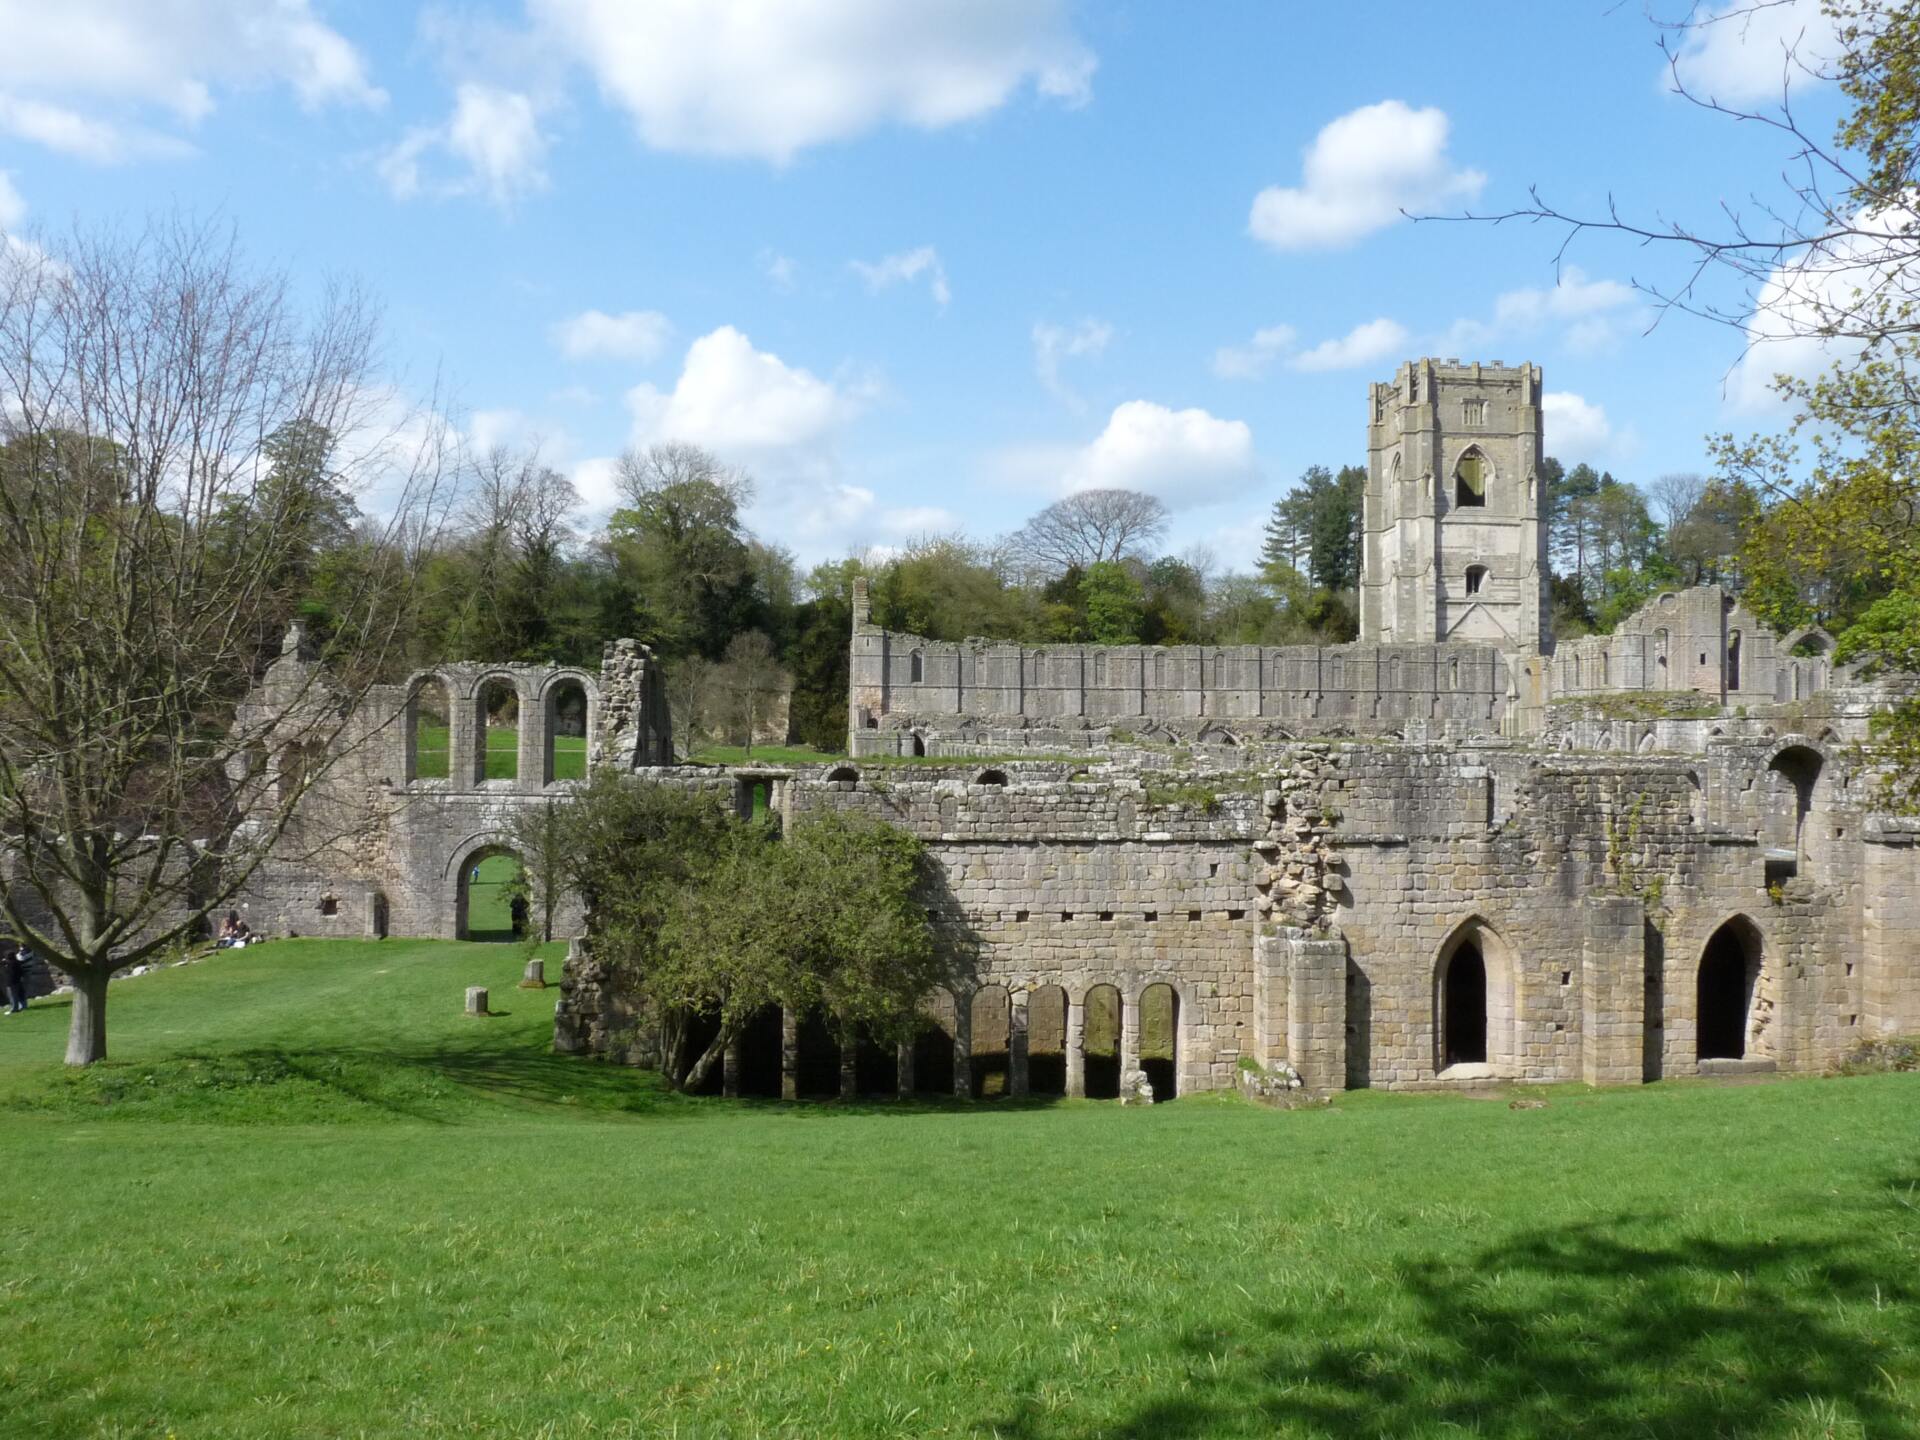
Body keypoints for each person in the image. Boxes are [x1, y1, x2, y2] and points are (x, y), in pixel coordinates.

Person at [2, 942, 26, 1013]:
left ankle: (14, 1009)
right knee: (21, 994)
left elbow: (9, 971)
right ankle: (24, 1006)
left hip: (12, 982)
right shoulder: (17, 962)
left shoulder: (10, 964)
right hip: (19, 981)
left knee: (13, 996)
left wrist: (5, 963)